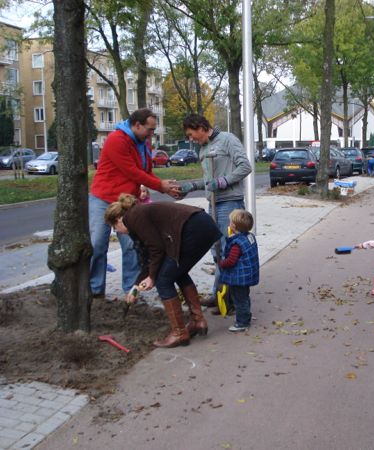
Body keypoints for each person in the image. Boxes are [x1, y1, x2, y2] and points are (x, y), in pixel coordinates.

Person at [105, 194, 222, 348]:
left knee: (163, 280)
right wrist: (136, 285)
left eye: (115, 228)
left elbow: (157, 248)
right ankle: (197, 321)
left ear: (118, 219)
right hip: (201, 226)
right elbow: (147, 256)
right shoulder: (136, 216)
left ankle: (179, 333)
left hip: (193, 229)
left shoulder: (133, 218)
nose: (118, 231)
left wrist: (152, 277)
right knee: (176, 273)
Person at [89, 108, 180, 299]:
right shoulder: (116, 140)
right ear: (137, 125)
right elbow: (132, 171)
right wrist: (160, 186)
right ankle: (95, 291)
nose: (152, 134)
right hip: (103, 198)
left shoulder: (144, 144)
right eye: (150, 129)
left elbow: (145, 172)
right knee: (98, 243)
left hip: (127, 201)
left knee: (132, 246)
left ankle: (131, 291)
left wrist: (166, 187)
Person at [180, 114, 252, 310]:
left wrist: (223, 181)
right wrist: (192, 186)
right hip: (213, 203)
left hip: (230, 204)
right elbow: (208, 180)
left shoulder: (227, 140)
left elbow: (245, 166)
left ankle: (233, 299)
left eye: (191, 134)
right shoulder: (203, 149)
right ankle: (219, 293)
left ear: (201, 127)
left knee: (230, 251)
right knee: (217, 252)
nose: (191, 139)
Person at [218, 209, 259, 332]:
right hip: (248, 274)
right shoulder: (249, 236)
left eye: (230, 222)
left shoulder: (236, 244)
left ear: (234, 226)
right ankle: (246, 316)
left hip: (239, 277)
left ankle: (242, 323)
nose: (229, 224)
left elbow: (231, 261)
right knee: (245, 297)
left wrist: (221, 263)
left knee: (239, 300)